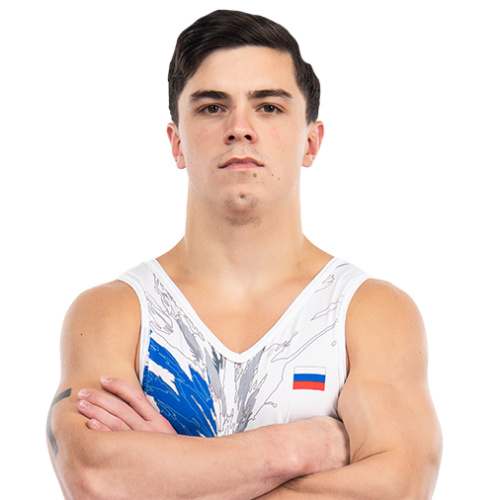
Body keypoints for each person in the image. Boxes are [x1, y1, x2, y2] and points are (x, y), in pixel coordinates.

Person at [45, 8, 443, 499]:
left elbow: (399, 488)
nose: (240, 128)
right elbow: (95, 478)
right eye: (212, 107)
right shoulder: (113, 312)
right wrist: (299, 447)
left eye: (269, 107)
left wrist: (170, 476)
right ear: (176, 143)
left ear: (312, 141)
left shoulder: (371, 312)